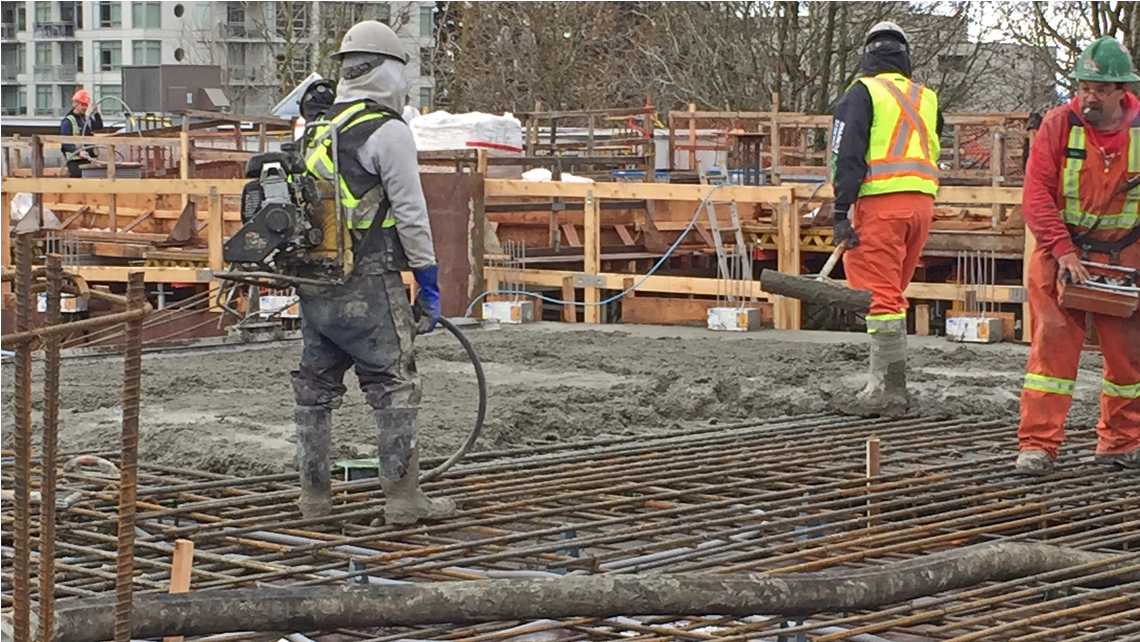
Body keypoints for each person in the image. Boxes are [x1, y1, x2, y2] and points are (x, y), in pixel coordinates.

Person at [291, 20, 455, 523]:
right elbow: (410, 212)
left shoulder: (316, 129)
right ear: (389, 72)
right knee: (393, 383)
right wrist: (427, 281)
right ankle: (404, 499)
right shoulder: (387, 131)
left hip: (317, 281)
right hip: (369, 279)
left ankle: (314, 499)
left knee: (315, 386)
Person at [1016, 36, 1140, 475]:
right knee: (1050, 354)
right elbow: (1035, 197)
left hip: (1122, 259)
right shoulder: (1057, 126)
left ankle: (1120, 442)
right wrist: (1064, 250)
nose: (1089, 95)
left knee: (1128, 358)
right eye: (1084, 85)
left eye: (1099, 88)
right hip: (1059, 256)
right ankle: (1038, 444)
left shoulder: (1139, 134)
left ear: (1121, 91)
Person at [829, 21, 943, 414]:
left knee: (880, 296)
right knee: (892, 291)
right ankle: (890, 384)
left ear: (866, 56)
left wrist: (841, 210)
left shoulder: (862, 93)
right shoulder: (925, 96)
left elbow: (846, 156)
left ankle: (888, 390)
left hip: (881, 203)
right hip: (922, 205)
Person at [60, 88, 102, 178]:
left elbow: (98, 129)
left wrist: (96, 114)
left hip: (86, 157)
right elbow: (66, 142)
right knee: (77, 181)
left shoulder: (86, 119)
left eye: (86, 105)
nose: (85, 108)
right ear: (76, 104)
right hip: (74, 160)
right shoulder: (68, 121)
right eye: (82, 105)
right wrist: (78, 153)